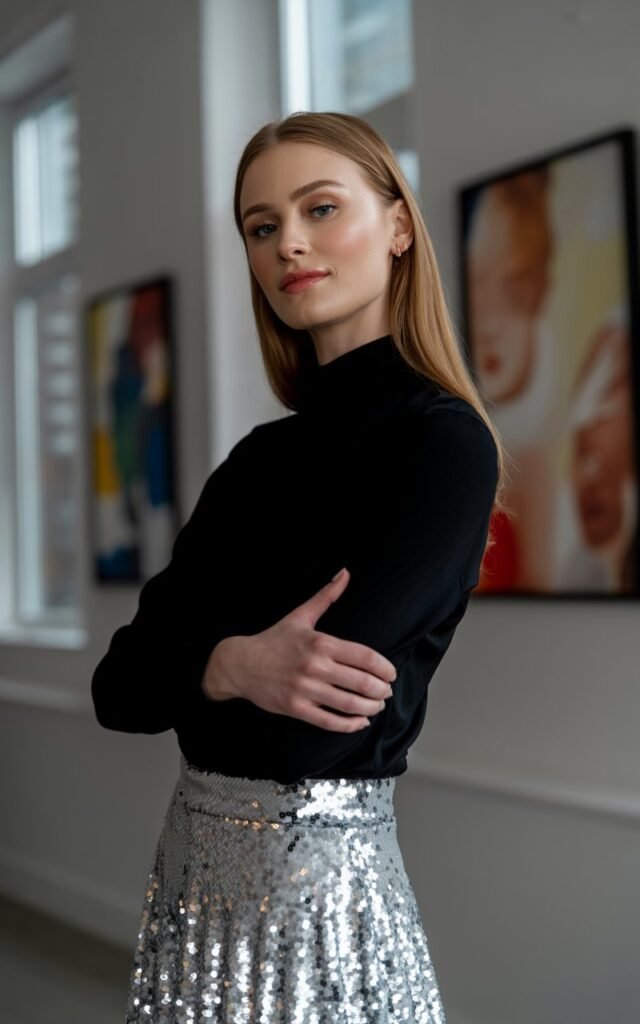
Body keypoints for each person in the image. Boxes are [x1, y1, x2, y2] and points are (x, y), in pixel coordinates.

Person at [92, 111, 509, 1023]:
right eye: (262, 226)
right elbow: (117, 688)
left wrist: (190, 660)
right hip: (193, 892)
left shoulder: (442, 445)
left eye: (322, 208)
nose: (292, 245)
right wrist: (231, 665)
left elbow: (308, 733)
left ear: (399, 225)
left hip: (324, 905)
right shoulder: (255, 460)